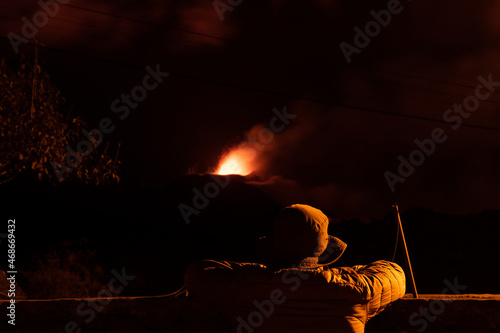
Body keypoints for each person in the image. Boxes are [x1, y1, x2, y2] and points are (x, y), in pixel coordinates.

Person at [184, 204, 406, 333]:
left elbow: (198, 272)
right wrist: (347, 273)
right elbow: (395, 272)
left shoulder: (244, 286)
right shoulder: (357, 288)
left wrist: (257, 269)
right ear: (323, 247)